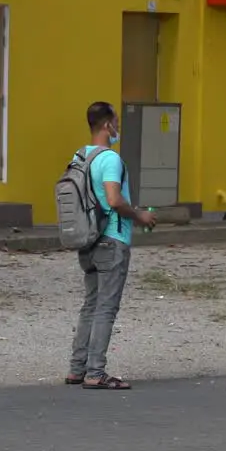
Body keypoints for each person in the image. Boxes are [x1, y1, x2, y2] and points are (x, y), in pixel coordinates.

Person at [67, 102, 156, 390]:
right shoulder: (110, 159)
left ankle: (77, 368)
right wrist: (140, 215)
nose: (118, 128)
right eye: (116, 122)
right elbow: (114, 199)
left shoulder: (79, 157)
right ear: (107, 125)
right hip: (112, 239)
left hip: (87, 239)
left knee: (90, 305)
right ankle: (96, 372)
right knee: (106, 307)